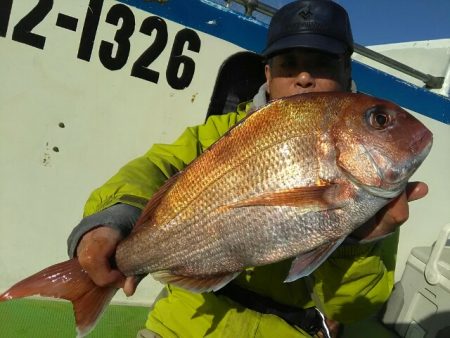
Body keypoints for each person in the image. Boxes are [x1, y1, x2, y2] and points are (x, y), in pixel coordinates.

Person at [68, 1, 428, 337]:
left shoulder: (375, 193)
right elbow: (153, 168)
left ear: (345, 70)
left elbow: (349, 308)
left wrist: (358, 244)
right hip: (183, 324)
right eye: (289, 64)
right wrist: (117, 218)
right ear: (268, 75)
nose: (304, 77)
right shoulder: (220, 134)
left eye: (321, 63)